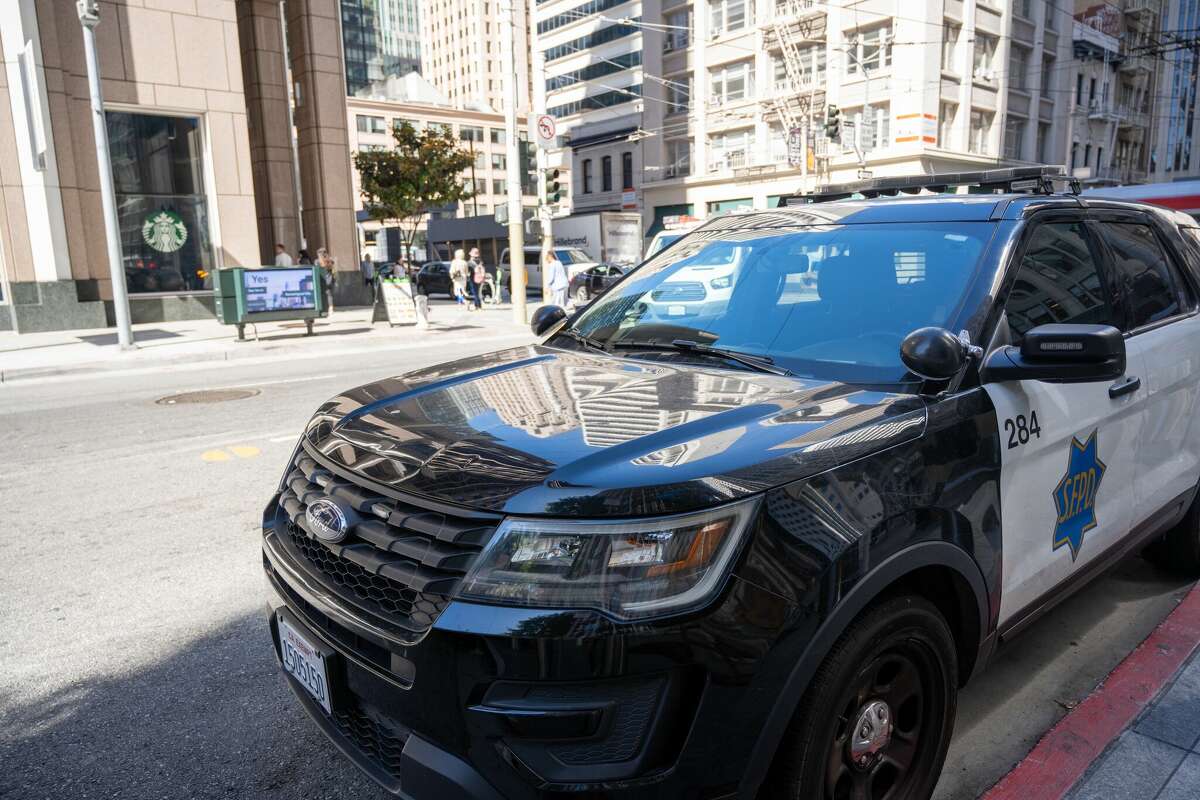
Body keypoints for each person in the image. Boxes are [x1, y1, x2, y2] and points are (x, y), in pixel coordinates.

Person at [317, 247, 336, 312]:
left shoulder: (318, 261)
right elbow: (333, 268)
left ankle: (324, 308)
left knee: (322, 293)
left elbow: (317, 269)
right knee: (329, 294)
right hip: (329, 279)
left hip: (322, 279)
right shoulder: (330, 260)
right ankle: (331, 308)